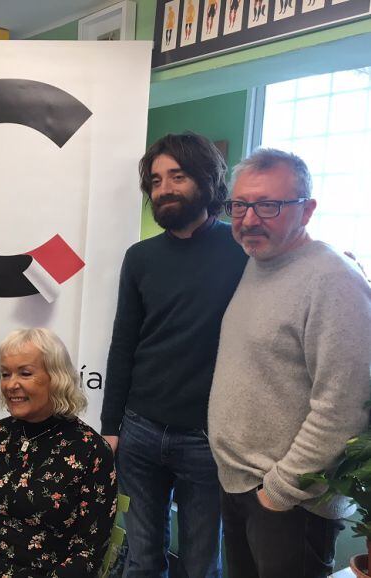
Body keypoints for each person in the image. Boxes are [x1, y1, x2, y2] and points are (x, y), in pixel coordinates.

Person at [208, 149, 371, 578]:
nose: (248, 219)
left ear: (307, 210)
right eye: (240, 205)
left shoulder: (333, 280)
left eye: (269, 205)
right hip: (241, 485)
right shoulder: (258, 261)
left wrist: (279, 491)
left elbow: (343, 407)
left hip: (289, 503)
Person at [100, 132, 248, 577]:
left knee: (202, 564)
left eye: (177, 176)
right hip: (140, 433)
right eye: (156, 180)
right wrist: (111, 428)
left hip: (207, 439)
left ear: (206, 179)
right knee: (142, 559)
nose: (163, 188)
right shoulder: (140, 258)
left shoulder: (242, 252)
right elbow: (124, 343)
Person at [0, 328, 117, 578]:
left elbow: (88, 552)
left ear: (56, 377)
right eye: (5, 374)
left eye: (25, 373)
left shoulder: (92, 450)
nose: (11, 384)